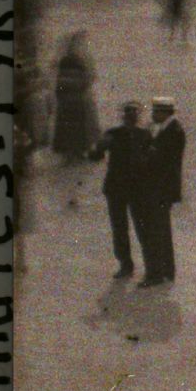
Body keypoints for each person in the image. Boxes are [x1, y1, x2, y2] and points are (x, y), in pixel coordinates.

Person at [87, 101, 151, 278]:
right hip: (133, 187)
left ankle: (126, 265)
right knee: (138, 227)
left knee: (122, 228)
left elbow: (95, 156)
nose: (130, 117)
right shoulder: (143, 135)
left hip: (118, 187)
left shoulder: (115, 134)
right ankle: (143, 264)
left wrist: (98, 146)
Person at [137, 98, 185, 286]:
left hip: (159, 190)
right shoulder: (169, 129)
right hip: (163, 189)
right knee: (162, 231)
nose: (153, 116)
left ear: (164, 112)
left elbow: (157, 159)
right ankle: (166, 270)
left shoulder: (172, 132)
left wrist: (147, 142)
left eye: (155, 112)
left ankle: (156, 274)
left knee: (155, 232)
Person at [51, 33, 101, 163]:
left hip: (73, 99)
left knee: (75, 126)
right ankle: (74, 152)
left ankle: (75, 152)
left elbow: (87, 79)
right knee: (74, 127)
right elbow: (85, 79)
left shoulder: (75, 60)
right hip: (74, 98)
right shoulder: (72, 61)